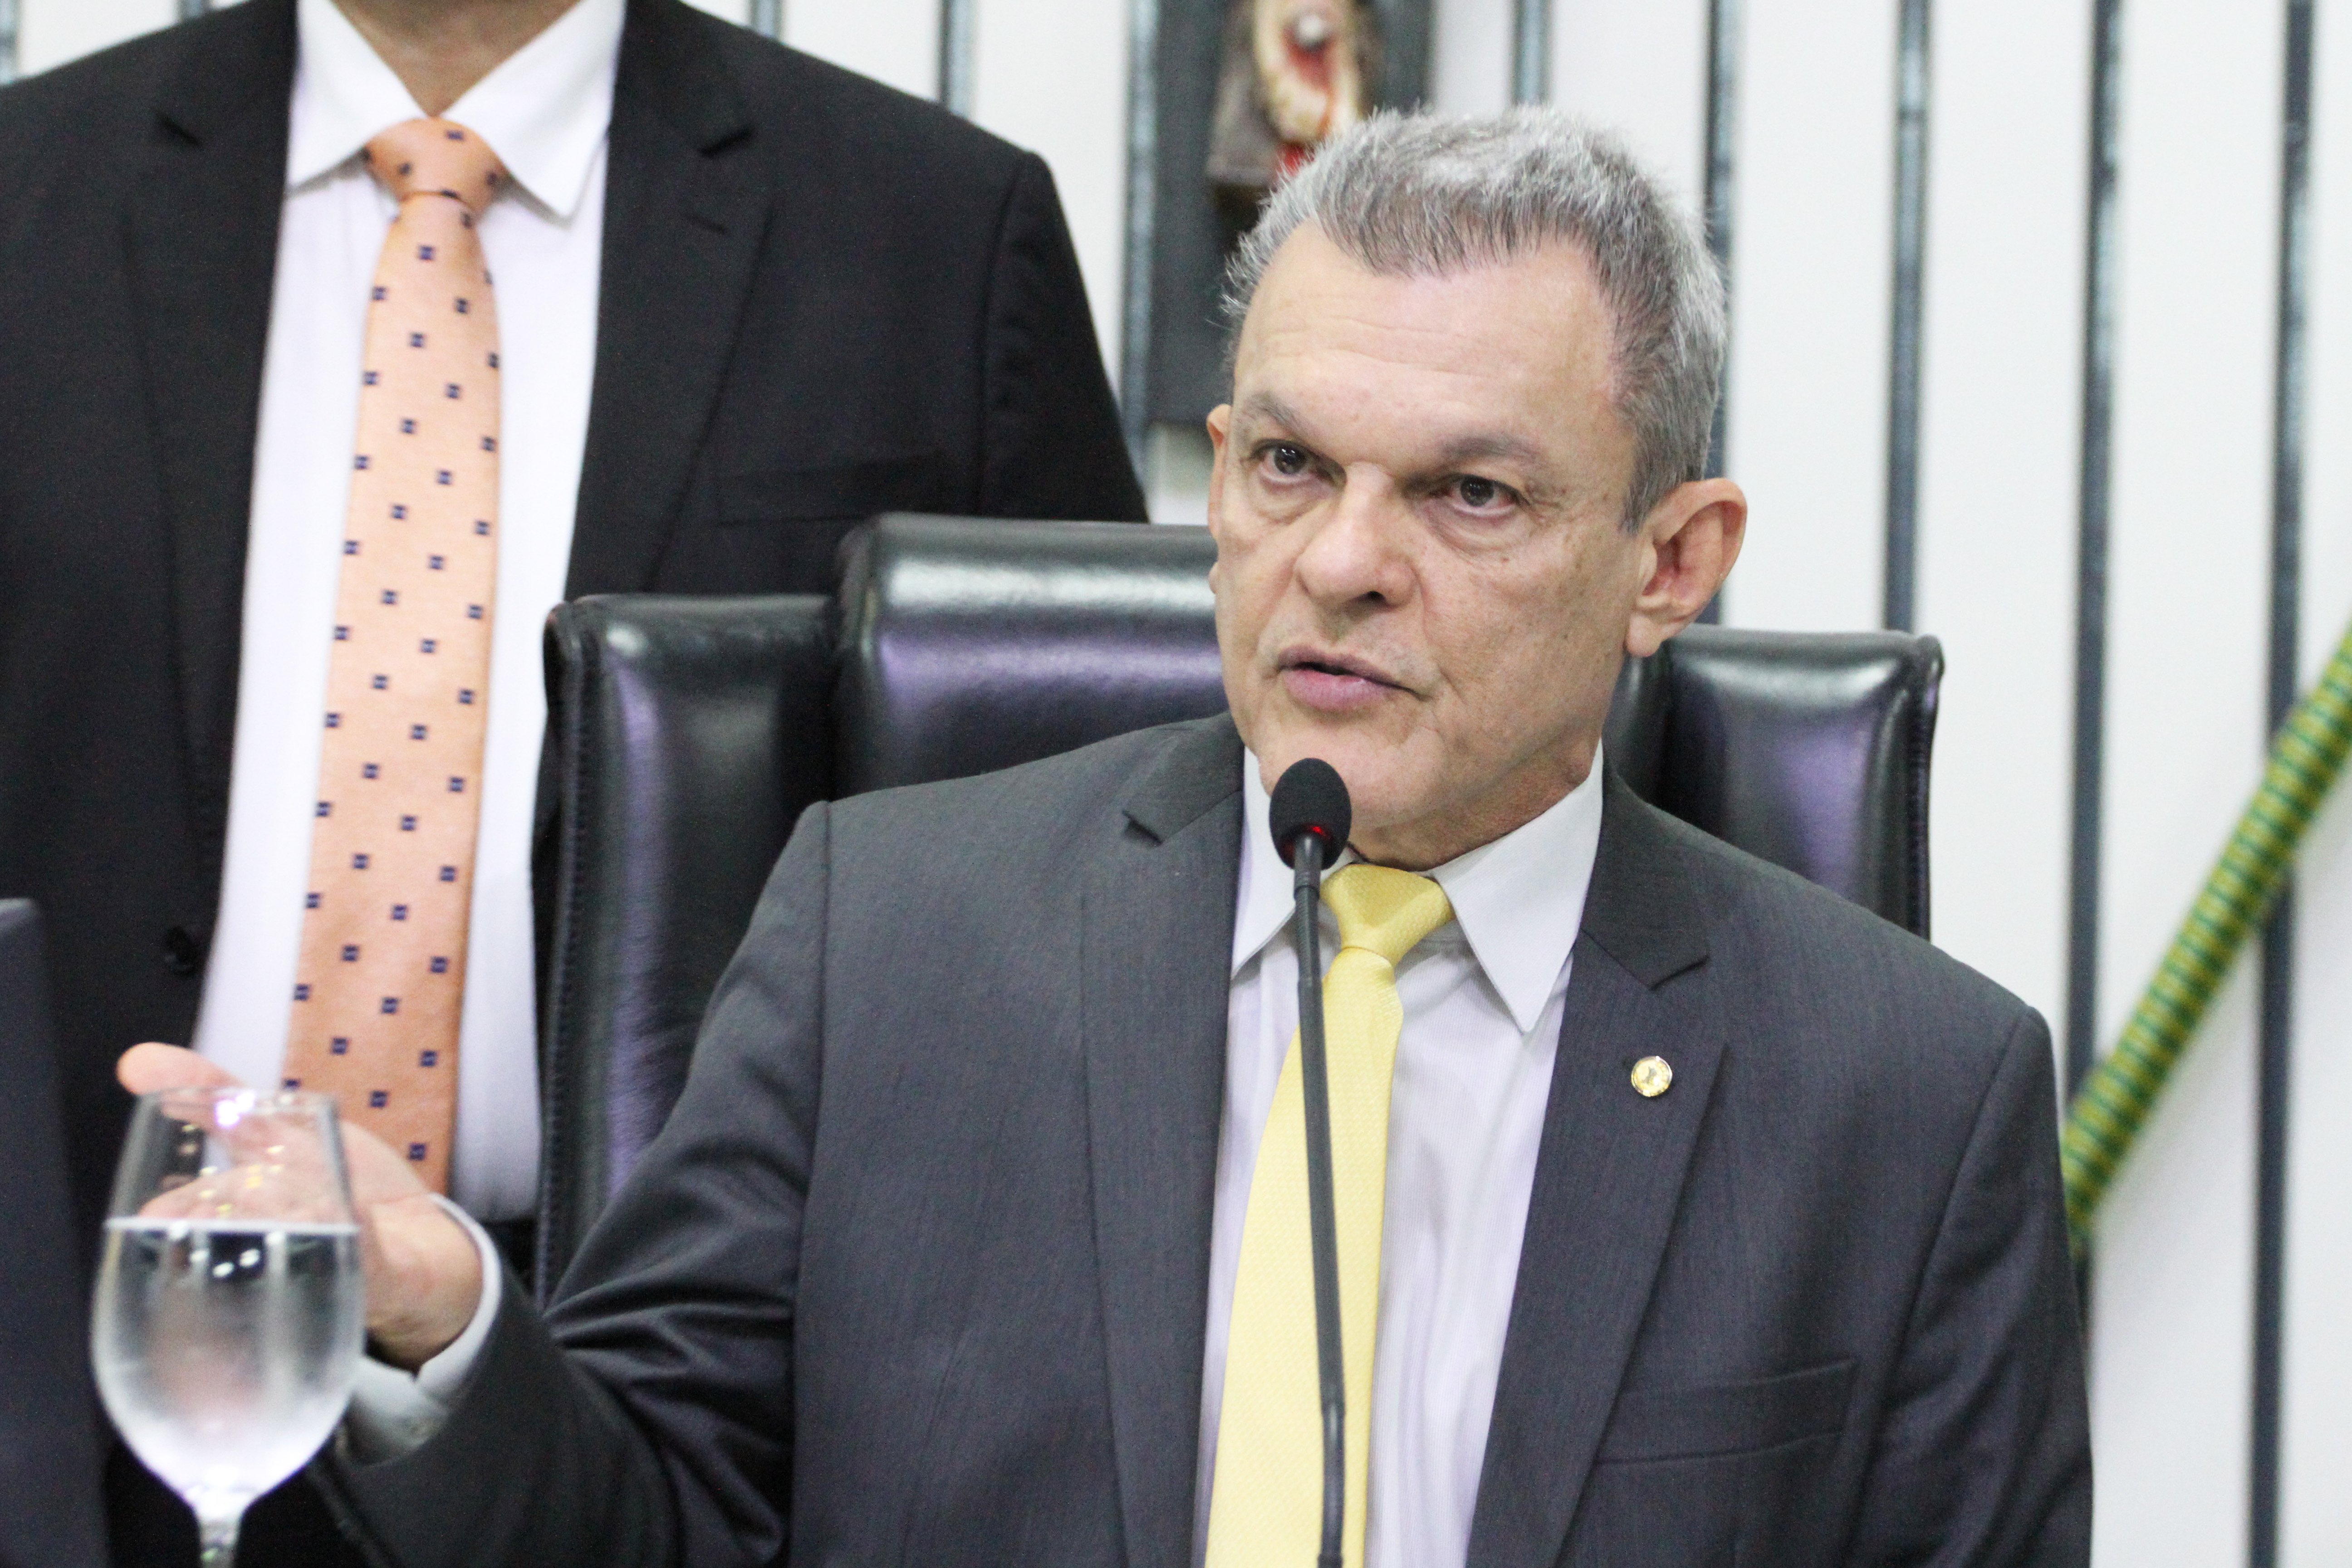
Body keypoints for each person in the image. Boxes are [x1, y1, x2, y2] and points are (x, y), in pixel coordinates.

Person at [123, 109, 2091, 1567]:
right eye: (1291, 464)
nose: (1341, 563)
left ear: (1672, 561)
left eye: (1470, 496)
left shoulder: (1908, 1098)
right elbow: (651, 1523)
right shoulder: (885, 942)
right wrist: (455, 1324)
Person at [0, 0, 1141, 1556]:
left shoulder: (931, 234)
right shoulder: (30, 189)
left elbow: (1093, 854)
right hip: (91, 1352)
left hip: (670, 1412)